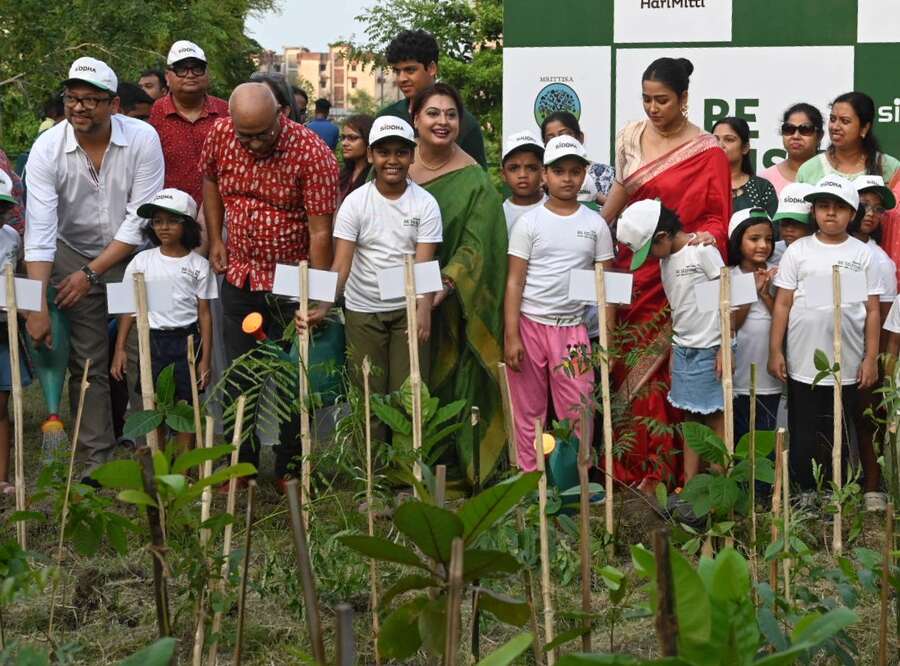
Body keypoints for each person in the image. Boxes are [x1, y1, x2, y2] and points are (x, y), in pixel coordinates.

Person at [24, 56, 164, 473]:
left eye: (90, 99)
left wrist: (92, 273)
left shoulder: (142, 138)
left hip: (129, 258)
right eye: (72, 98)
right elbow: (40, 230)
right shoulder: (47, 148)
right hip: (71, 252)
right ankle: (94, 462)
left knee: (139, 353)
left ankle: (148, 455)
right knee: (87, 361)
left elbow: (140, 218)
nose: (79, 107)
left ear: (114, 104)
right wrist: (37, 305)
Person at [600, 57, 731, 490]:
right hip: (633, 271)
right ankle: (632, 466)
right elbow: (622, 189)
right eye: (646, 99)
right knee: (629, 364)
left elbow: (718, 217)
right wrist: (596, 228)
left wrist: (702, 240)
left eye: (662, 100)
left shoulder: (708, 152)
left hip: (679, 273)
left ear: (684, 98)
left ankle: (674, 473)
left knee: (673, 373)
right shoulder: (630, 136)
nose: (653, 108)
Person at [201, 82, 338, 481]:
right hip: (240, 274)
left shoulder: (312, 153)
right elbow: (210, 181)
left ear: (281, 114)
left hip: (289, 281)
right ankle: (240, 465)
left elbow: (320, 232)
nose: (255, 144)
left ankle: (288, 467)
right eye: (246, 136)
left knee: (292, 375)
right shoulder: (221, 135)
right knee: (240, 374)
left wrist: (317, 296)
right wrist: (216, 238)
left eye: (262, 134)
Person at [301, 117, 441, 416]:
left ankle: (407, 450)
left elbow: (424, 262)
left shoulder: (426, 204)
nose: (392, 160)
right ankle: (369, 450)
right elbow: (342, 263)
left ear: (412, 156)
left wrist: (424, 309)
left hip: (407, 310)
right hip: (363, 310)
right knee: (367, 400)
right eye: (383, 152)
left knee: (409, 397)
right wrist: (324, 306)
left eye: (401, 152)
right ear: (370, 156)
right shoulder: (355, 203)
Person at [406, 82, 507, 485]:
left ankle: (452, 467)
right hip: (393, 295)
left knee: (450, 384)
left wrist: (445, 285)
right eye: (433, 113)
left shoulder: (474, 179)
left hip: (451, 303)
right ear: (415, 118)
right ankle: (400, 468)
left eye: (451, 114)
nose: (442, 122)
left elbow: (479, 246)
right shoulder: (394, 164)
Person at [504, 136, 614, 471]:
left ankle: (575, 482)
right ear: (545, 175)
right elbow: (514, 281)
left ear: (584, 174)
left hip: (573, 331)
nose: (567, 178)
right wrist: (512, 335)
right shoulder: (529, 223)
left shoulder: (595, 224)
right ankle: (531, 478)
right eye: (559, 171)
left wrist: (608, 340)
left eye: (575, 171)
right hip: (530, 326)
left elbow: (606, 287)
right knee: (529, 410)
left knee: (579, 407)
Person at [769, 176, 882, 491]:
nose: (830, 213)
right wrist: (775, 350)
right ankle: (805, 492)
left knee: (839, 430)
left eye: (839, 207)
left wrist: (870, 357)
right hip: (802, 361)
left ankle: (836, 493)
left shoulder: (862, 255)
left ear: (852, 213)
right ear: (814, 211)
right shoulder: (798, 251)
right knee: (803, 429)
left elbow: (873, 310)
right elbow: (782, 303)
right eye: (823, 206)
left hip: (846, 363)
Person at [618, 199, 726, 482]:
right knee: (690, 416)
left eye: (649, 250)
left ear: (663, 236)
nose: (649, 258)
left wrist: (725, 347)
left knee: (716, 416)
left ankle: (720, 485)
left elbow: (727, 299)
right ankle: (690, 485)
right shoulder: (666, 260)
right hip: (683, 347)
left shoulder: (702, 250)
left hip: (711, 346)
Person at [111, 189, 216, 450]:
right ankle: (159, 464)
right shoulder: (141, 261)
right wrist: (120, 348)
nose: (163, 227)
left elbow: (204, 314)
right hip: (152, 341)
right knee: (153, 404)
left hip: (187, 341)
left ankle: (183, 467)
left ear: (187, 225)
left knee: (185, 406)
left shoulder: (199, 266)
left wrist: (205, 359)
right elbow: (128, 308)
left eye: (171, 221)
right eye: (157, 221)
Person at [852, 175, 897, 511]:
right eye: (864, 205)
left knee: (868, 417)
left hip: (864, 357)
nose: (871, 213)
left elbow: (883, 318)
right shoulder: (819, 246)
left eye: (878, 209)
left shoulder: (880, 259)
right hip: (821, 352)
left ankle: (871, 486)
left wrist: (875, 360)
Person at [378, 29, 487, 168]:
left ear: (431, 68)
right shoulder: (387, 118)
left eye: (410, 70)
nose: (402, 79)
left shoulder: (464, 123)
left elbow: (477, 176)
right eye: (397, 71)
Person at [149, 40, 228, 205]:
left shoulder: (225, 111)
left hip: (219, 209)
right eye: (181, 69)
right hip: (169, 211)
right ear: (167, 77)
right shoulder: (154, 113)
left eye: (197, 68)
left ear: (207, 74)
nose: (190, 75)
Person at [727, 207, 780, 443]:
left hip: (768, 380)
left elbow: (783, 322)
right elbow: (731, 326)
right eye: (754, 238)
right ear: (738, 241)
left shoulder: (778, 275)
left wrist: (766, 294)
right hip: (738, 378)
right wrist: (750, 291)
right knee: (739, 437)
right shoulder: (729, 276)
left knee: (763, 438)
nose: (763, 245)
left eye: (768, 239)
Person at [0, 172, 31, 495]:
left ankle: (2, 476)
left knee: (2, 404)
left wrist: (27, 310)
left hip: (3, 327)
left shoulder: (11, 237)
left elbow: (20, 276)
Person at [540, 111, 615, 207]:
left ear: (580, 138)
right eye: (551, 138)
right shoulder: (540, 179)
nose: (567, 179)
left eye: (564, 135)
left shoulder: (607, 174)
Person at [713, 117, 778, 218]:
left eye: (729, 140)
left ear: (745, 148)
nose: (720, 145)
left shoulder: (762, 188)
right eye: (715, 139)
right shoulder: (700, 184)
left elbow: (774, 225)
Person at [759, 103, 824, 196]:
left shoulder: (830, 175)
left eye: (805, 129)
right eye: (789, 129)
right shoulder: (765, 180)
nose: (796, 136)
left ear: (819, 136)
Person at [500, 130, 546, 232]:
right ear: (503, 174)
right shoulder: (498, 215)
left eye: (531, 168)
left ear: (544, 173)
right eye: (514, 168)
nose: (522, 175)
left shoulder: (556, 210)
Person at [771, 182, 814, 264]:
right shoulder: (770, 253)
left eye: (797, 222)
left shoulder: (823, 252)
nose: (789, 229)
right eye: (784, 222)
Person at [338, 114, 375, 203]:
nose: (344, 143)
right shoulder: (344, 173)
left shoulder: (375, 176)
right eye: (343, 138)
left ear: (368, 139)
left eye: (352, 138)